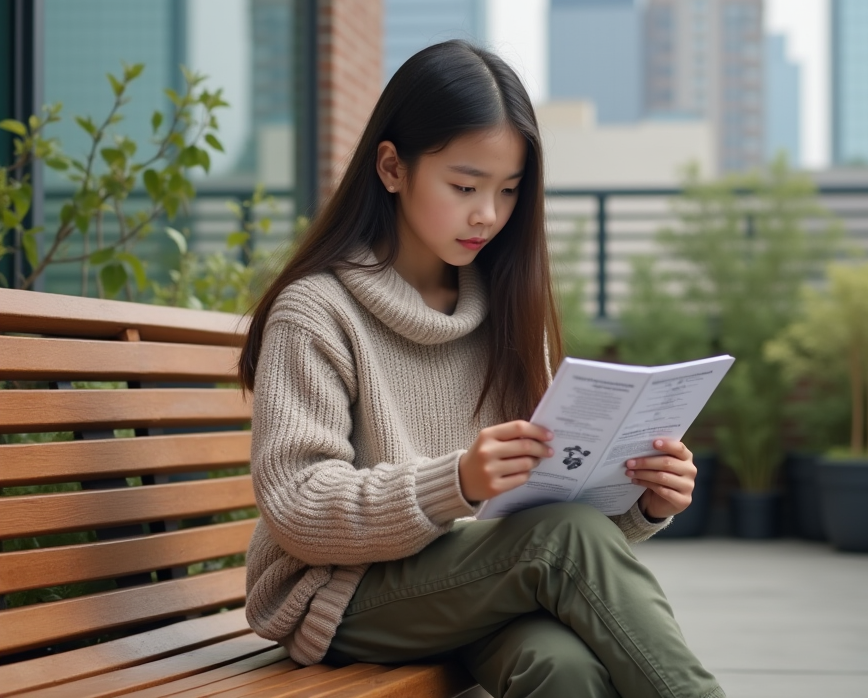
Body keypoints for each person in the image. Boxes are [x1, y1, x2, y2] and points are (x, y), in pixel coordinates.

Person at [237, 39, 725, 698]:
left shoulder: (506, 311)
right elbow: (297, 504)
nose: (488, 215)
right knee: (560, 542)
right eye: (465, 186)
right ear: (391, 167)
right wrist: (457, 482)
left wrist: (642, 502)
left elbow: (550, 516)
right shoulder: (317, 311)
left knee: (566, 671)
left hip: (480, 577)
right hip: (342, 594)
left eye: (508, 191)